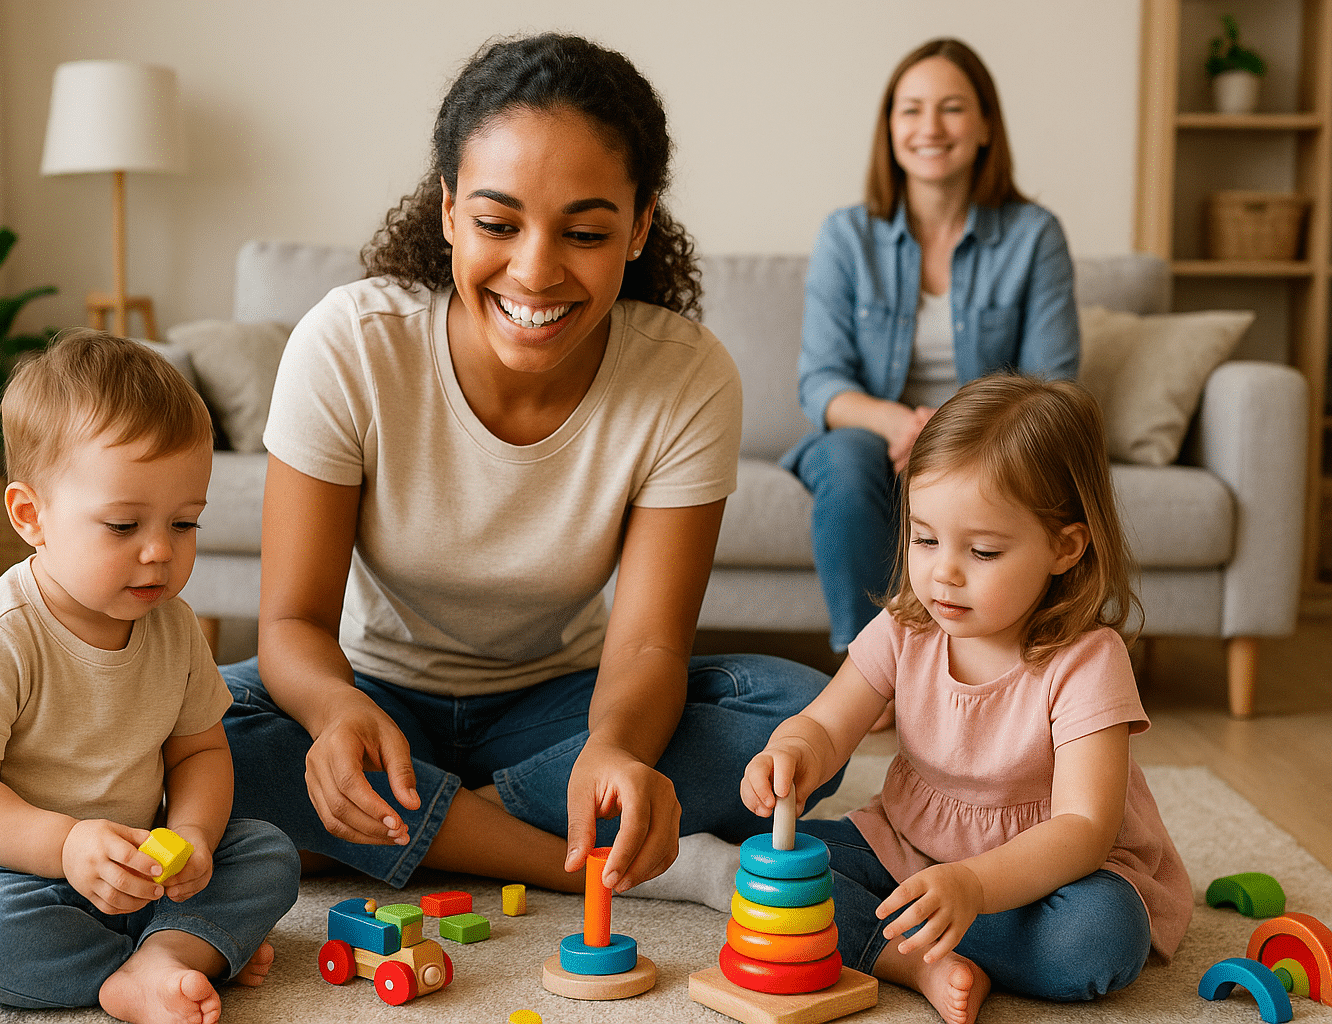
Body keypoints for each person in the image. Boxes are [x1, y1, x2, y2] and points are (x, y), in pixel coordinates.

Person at [220, 32, 839, 906]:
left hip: (565, 709)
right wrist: (331, 714)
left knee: (794, 717)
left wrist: (616, 748)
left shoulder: (685, 374)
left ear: (640, 226)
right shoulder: (351, 344)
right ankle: (556, 850)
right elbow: (291, 621)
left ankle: (391, 832)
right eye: (496, 223)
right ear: (446, 211)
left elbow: (651, 644)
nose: (536, 271)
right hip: (372, 697)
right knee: (180, 737)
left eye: (584, 231)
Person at [743, 374, 1191, 1024]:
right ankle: (911, 955)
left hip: (1049, 878)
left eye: (982, 550)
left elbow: (1083, 832)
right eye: (924, 539)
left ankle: (895, 933)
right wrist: (792, 752)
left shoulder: (1088, 659)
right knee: (775, 874)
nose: (942, 572)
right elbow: (826, 724)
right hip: (908, 848)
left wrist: (972, 887)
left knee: (1100, 938)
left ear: (1064, 547)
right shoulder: (905, 626)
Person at [0, 331, 301, 1024]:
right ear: (33, 516)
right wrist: (63, 845)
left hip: (140, 862)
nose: (160, 552)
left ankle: (167, 951)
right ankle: (162, 959)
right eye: (123, 526)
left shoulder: (175, 628)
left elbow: (201, 752)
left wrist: (194, 836)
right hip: (6, 871)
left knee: (266, 852)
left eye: (185, 524)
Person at [782, 38, 1081, 661]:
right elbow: (821, 382)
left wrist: (948, 432)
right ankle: (869, 665)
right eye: (910, 109)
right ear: (889, 127)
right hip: (873, 440)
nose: (929, 127)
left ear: (985, 127)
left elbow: (1052, 385)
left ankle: (988, 658)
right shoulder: (846, 235)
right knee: (846, 458)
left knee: (1007, 467)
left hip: (989, 437)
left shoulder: (1034, 236)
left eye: (951, 108)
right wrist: (899, 422)